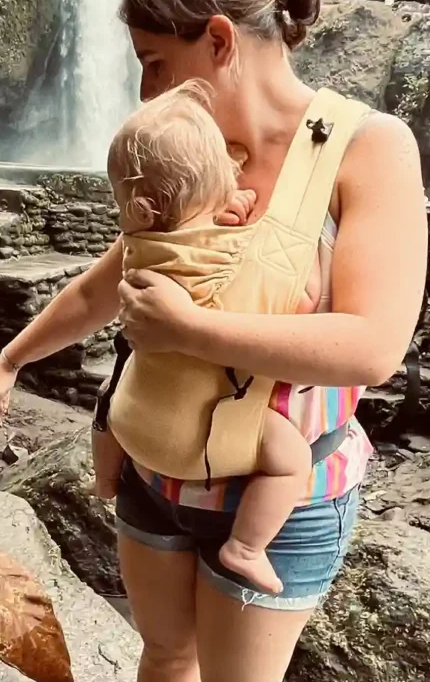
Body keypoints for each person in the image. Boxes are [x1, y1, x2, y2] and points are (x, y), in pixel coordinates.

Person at [0, 0, 427, 682]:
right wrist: (15, 358)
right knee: (163, 658)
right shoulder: (192, 152)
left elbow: (372, 346)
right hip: (157, 472)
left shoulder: (369, 148)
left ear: (218, 39)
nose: (144, 90)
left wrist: (189, 329)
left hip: (279, 493)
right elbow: (99, 289)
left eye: (153, 61)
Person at [97, 80, 336, 595]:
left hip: (134, 428)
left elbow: (193, 232)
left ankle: (102, 479)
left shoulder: (139, 243)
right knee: (290, 459)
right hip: (201, 446)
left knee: (108, 393)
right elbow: (300, 300)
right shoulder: (240, 254)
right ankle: (246, 547)